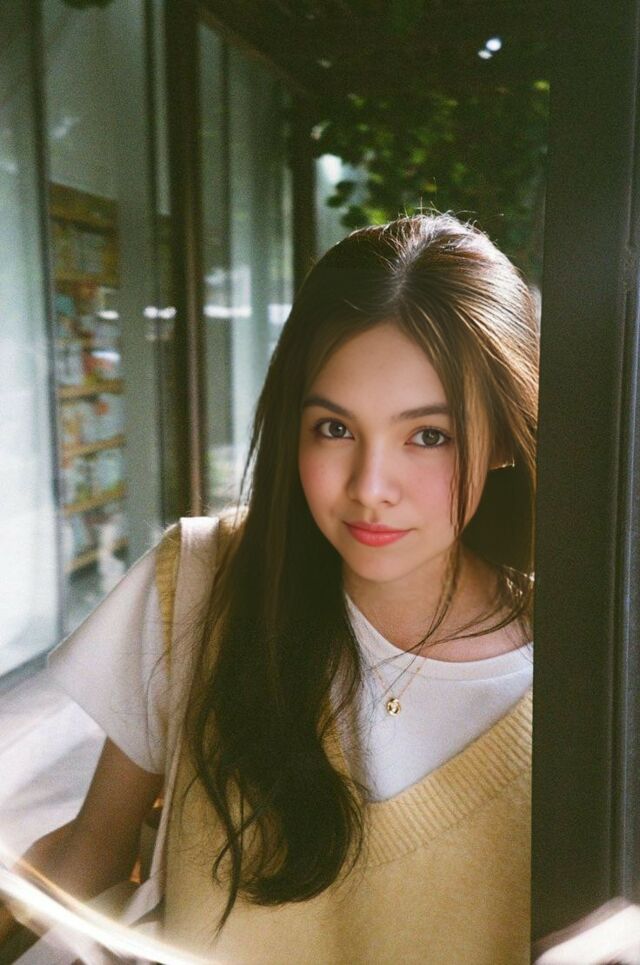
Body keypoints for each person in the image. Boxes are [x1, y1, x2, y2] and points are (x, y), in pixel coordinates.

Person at [1, 212, 538, 964]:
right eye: (335, 429)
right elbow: (92, 851)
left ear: (504, 436)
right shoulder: (203, 581)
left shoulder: (585, 678)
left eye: (429, 436)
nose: (370, 487)